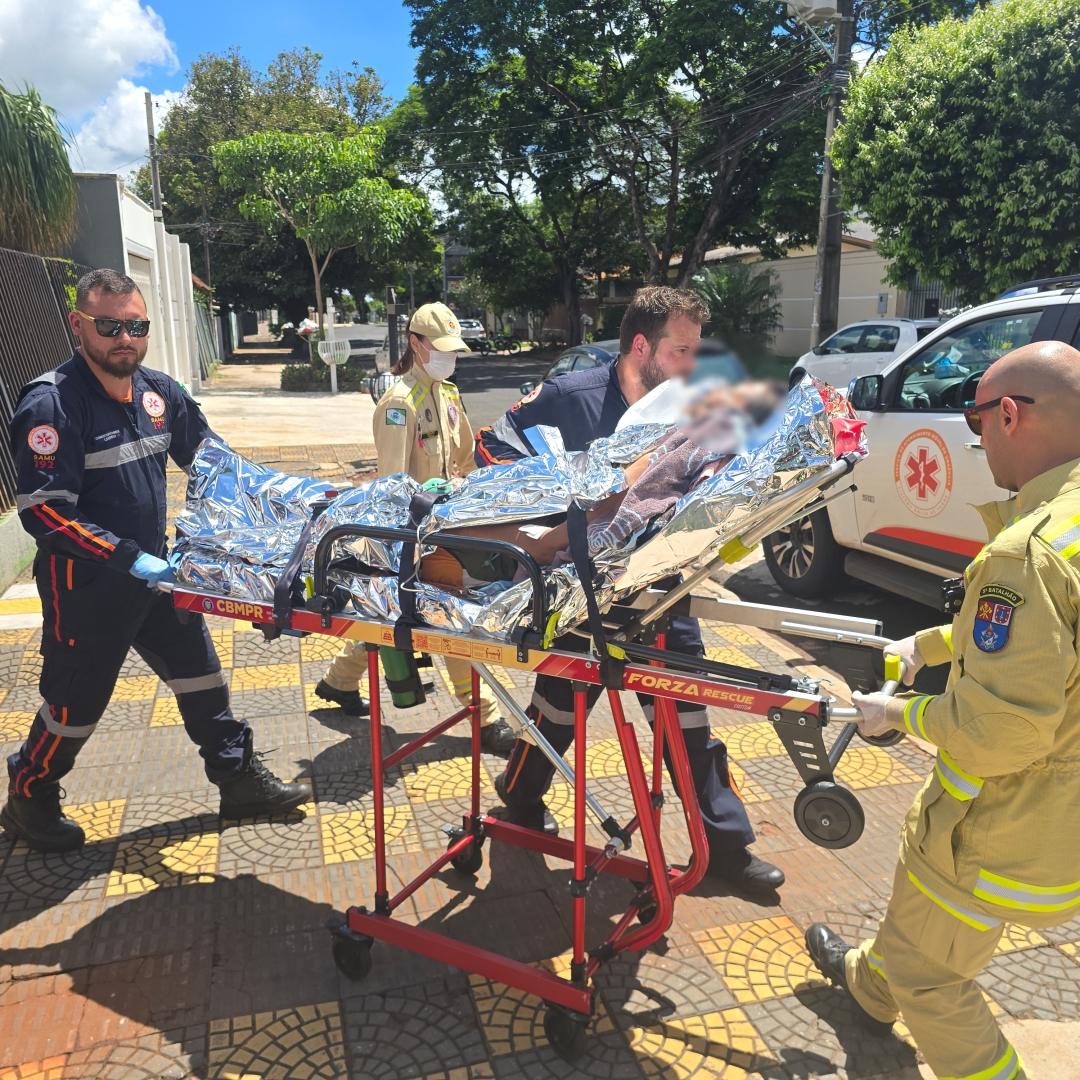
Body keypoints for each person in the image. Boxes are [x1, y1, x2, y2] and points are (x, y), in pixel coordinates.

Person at [806, 340, 1080, 1080]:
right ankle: (865, 987)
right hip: (1063, 809)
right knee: (921, 922)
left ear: (1011, 415)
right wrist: (931, 644)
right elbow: (1045, 641)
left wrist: (900, 717)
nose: (975, 436)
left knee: (934, 977)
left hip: (1000, 824)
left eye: (976, 418)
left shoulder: (1026, 555)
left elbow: (999, 731)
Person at [473, 286, 786, 894]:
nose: (692, 365)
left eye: (699, 350)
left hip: (660, 589)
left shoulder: (693, 405)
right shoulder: (570, 397)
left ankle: (723, 845)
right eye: (680, 349)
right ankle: (518, 792)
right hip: (577, 593)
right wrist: (550, 510)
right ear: (641, 346)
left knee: (683, 709)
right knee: (558, 709)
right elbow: (492, 450)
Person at [2, 269, 308, 853]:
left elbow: (221, 469)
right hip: (87, 589)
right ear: (79, 325)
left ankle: (236, 779)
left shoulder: (159, 393)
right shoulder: (54, 405)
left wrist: (287, 515)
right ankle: (28, 795)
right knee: (74, 706)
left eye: (136, 325)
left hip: (159, 580)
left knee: (203, 679)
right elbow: (44, 514)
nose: (125, 337)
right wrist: (130, 559)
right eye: (110, 325)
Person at [314, 302, 516, 754]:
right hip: (414, 533)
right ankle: (486, 717)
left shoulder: (447, 395)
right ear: (416, 344)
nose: (450, 357)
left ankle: (337, 683)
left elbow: (464, 461)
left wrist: (469, 490)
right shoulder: (398, 405)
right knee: (449, 616)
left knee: (383, 618)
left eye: (454, 349)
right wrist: (423, 503)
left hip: (448, 524)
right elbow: (389, 487)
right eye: (440, 349)